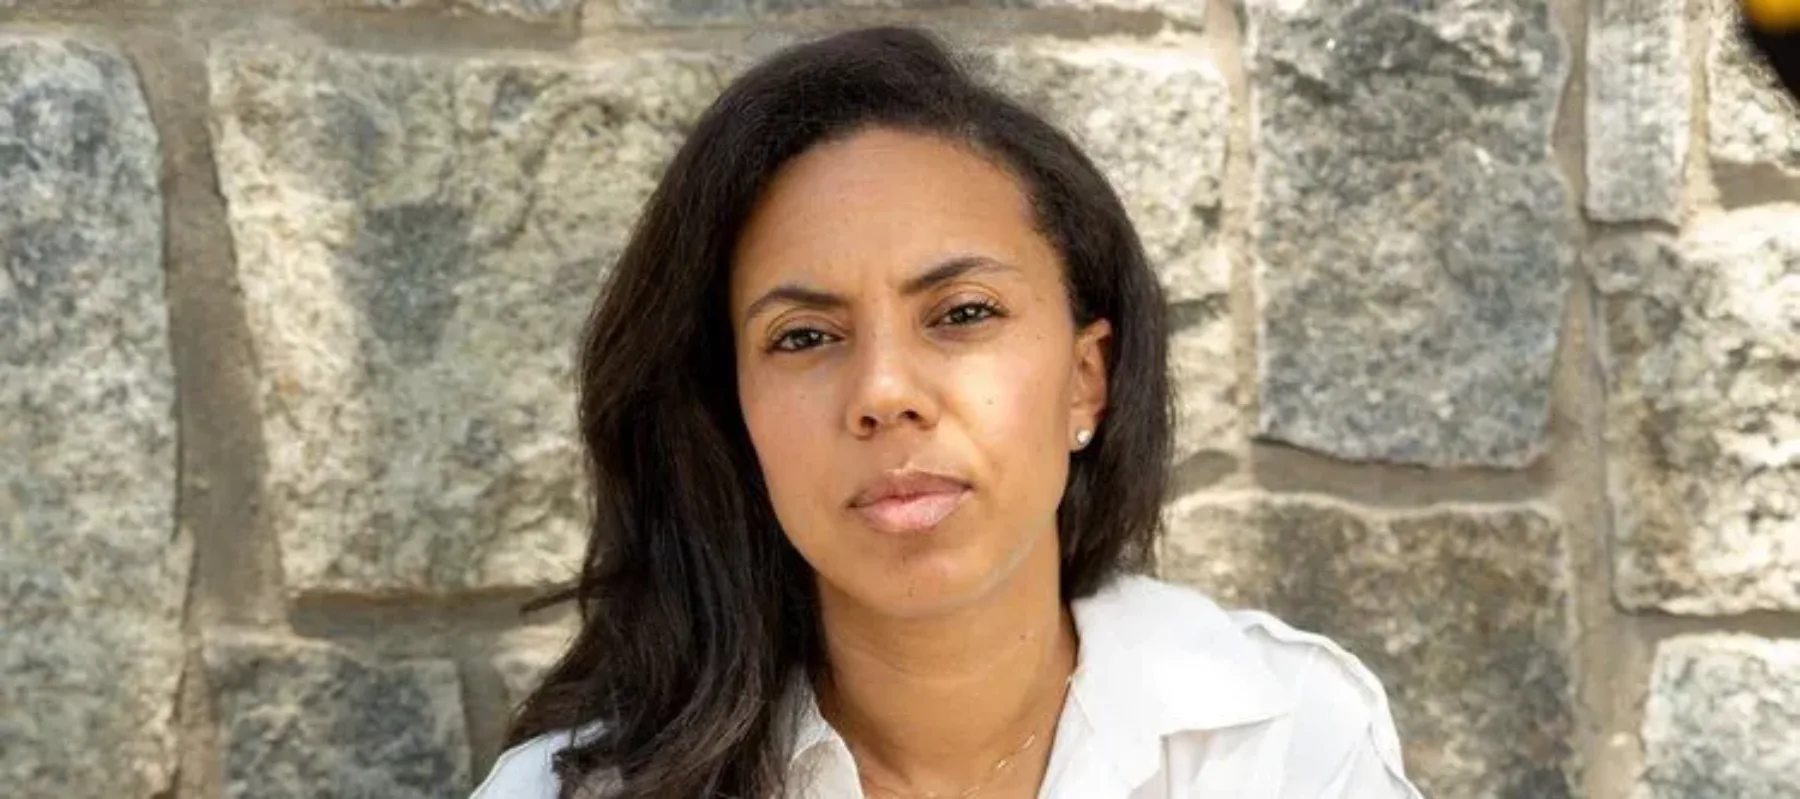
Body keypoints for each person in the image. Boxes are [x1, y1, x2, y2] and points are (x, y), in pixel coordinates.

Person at [472, 26, 1422, 799]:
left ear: (1086, 380)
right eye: (804, 336)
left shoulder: (1278, 740)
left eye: (963, 314)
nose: (885, 392)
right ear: (735, 416)